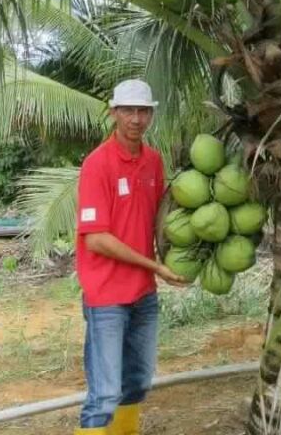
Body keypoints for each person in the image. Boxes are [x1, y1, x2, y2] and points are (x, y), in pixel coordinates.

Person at [75, 79, 187, 435]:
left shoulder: (153, 162)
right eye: (128, 111)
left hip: (143, 294)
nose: (136, 119)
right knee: (104, 394)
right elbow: (96, 239)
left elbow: (159, 220)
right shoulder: (98, 164)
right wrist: (156, 266)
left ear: (150, 115)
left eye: (143, 111)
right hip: (107, 295)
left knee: (137, 383)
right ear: (114, 113)